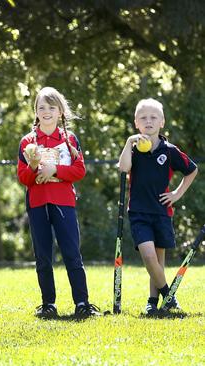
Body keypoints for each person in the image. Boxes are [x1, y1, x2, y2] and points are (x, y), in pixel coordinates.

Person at [17, 86, 101, 318]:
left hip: (63, 202)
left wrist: (55, 169)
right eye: (41, 107)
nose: (46, 112)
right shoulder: (27, 142)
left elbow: (79, 170)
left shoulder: (69, 140)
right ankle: (48, 304)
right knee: (43, 256)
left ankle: (82, 303)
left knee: (72, 253)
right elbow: (23, 177)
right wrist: (34, 167)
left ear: (60, 112)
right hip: (37, 203)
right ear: (35, 111)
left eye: (51, 108)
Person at [117, 98, 197, 315]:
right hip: (139, 213)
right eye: (143, 118)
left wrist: (177, 194)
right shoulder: (133, 149)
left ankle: (153, 302)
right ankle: (169, 298)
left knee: (158, 261)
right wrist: (127, 143)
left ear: (162, 121)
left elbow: (192, 169)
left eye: (153, 117)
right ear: (136, 122)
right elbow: (123, 168)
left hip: (161, 211)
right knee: (149, 256)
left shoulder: (169, 150)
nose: (148, 121)